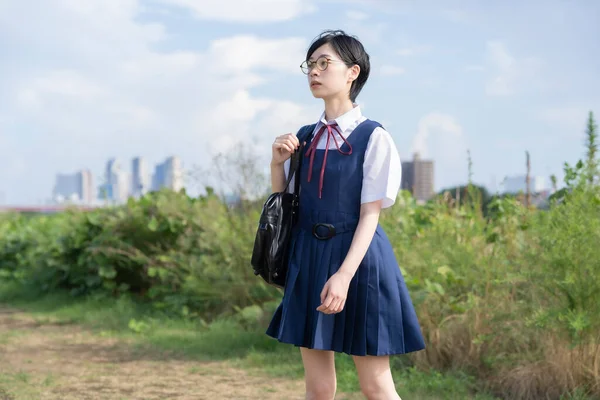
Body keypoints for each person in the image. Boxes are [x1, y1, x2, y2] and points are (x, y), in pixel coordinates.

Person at [266, 29, 425, 400]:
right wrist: (277, 163)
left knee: (375, 385)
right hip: (308, 256)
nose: (314, 72)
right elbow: (285, 201)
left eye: (325, 64)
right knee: (318, 387)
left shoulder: (373, 136)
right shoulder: (305, 136)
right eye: (310, 65)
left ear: (352, 73)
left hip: (360, 261)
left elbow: (371, 215)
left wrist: (343, 276)